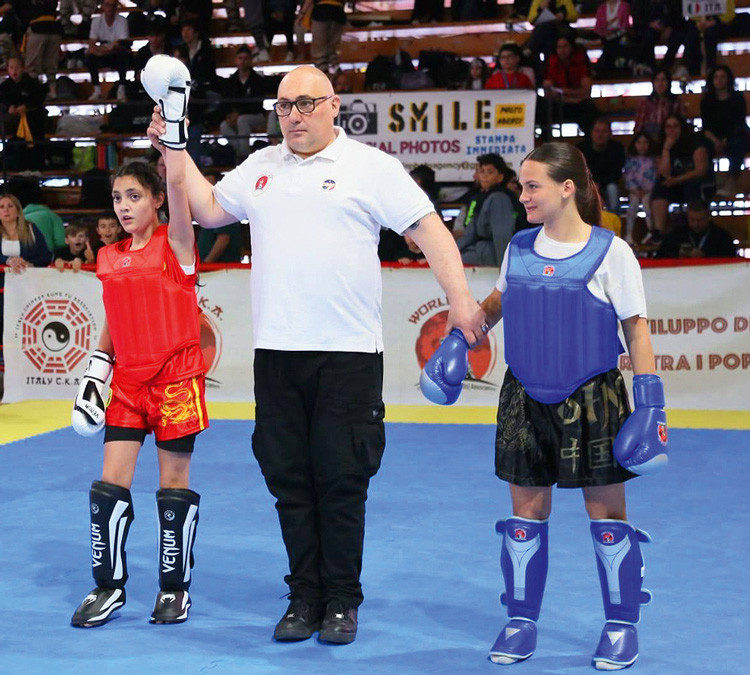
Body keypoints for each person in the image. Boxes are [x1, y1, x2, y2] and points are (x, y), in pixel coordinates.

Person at [147, 62, 486, 644]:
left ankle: (342, 601)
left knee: (342, 479)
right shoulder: (262, 166)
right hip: (277, 354)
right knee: (288, 480)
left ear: (334, 106)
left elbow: (428, 228)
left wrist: (459, 301)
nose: (294, 116)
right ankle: (304, 597)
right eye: (284, 107)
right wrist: (173, 143)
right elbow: (206, 208)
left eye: (306, 104)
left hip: (347, 356)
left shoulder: (370, 167)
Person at [471, 142, 667, 670]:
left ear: (567, 188)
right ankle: (520, 620)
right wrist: (459, 338)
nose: (522, 194)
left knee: (607, 517)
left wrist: (651, 405)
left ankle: (622, 624)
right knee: (525, 518)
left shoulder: (612, 252)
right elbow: (496, 304)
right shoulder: (519, 246)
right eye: (521, 184)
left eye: (532, 185)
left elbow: (636, 330)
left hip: (593, 397)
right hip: (524, 395)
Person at [69, 156, 207, 628]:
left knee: (173, 488)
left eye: (134, 196)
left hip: (176, 380)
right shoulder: (108, 257)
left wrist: (172, 146)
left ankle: (174, 589)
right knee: (109, 487)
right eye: (117, 198)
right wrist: (97, 370)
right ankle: (108, 587)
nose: (124, 207)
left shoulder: (176, 244)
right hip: (128, 382)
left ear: (157, 200)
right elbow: (115, 314)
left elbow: (182, 192)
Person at [649, 115, 712, 242]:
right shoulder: (661, 147)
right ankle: (658, 231)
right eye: (668, 127)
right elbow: (663, 173)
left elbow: (701, 170)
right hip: (675, 185)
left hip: (698, 183)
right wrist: (666, 149)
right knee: (660, 187)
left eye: (675, 126)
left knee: (691, 185)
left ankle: (694, 227)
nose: (672, 130)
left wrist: (677, 180)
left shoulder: (695, 144)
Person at [455, 153, 523, 268]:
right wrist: (451, 252)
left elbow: (502, 236)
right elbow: (470, 234)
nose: (485, 176)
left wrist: (504, 268)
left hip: (493, 253)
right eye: (482, 171)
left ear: (500, 177)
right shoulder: (481, 197)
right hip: (481, 249)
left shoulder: (499, 198)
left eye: (490, 172)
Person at [700, 65, 749, 199]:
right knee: (703, 147)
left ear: (728, 79)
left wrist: (725, 140)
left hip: (735, 133)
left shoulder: (737, 97)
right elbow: (706, 127)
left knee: (738, 143)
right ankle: (708, 183)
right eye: (716, 77)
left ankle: (731, 180)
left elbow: (739, 122)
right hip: (713, 136)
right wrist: (715, 141)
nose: (719, 80)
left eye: (723, 77)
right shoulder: (707, 100)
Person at [219, 45, 270, 163]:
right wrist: (229, 115)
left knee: (242, 120)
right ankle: (241, 153)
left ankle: (243, 157)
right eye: (240, 58)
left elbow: (257, 104)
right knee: (224, 125)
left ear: (250, 60)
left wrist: (239, 114)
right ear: (236, 60)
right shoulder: (231, 81)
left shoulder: (257, 80)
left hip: (257, 115)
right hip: (236, 116)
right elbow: (225, 101)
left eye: (245, 58)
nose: (242, 61)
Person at [656, 199, 737, 258]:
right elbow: (661, 255)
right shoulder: (677, 235)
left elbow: (730, 257)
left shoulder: (721, 236)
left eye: (700, 220)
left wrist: (705, 256)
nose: (696, 224)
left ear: (708, 217)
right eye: (692, 220)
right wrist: (678, 255)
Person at [577, 118, 626, 214]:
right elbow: (580, 171)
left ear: (609, 133)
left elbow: (616, 173)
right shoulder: (582, 148)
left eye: (604, 131)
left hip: (609, 183)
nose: (600, 135)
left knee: (612, 189)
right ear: (591, 133)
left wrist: (599, 184)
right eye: (597, 131)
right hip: (587, 183)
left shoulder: (617, 148)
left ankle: (613, 219)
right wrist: (592, 184)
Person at [86, 0, 131, 101]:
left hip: (115, 55)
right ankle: (97, 90)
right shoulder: (96, 21)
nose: (110, 8)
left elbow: (121, 45)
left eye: (113, 5)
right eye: (108, 5)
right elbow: (92, 44)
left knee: (123, 55)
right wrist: (109, 48)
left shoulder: (122, 21)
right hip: (104, 54)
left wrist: (101, 50)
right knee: (89, 57)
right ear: (103, 6)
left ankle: (121, 88)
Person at [633, 68, 686, 143]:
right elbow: (638, 127)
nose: (660, 84)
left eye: (663, 80)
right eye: (657, 80)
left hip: (671, 140)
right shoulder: (645, 102)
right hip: (649, 142)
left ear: (668, 83)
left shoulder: (677, 101)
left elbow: (682, 126)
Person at [622, 132, 656, 244]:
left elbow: (653, 176)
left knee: (647, 204)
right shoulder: (631, 160)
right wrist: (634, 189)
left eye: (645, 143)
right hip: (634, 191)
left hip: (648, 191)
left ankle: (651, 231)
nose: (642, 146)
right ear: (635, 144)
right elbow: (628, 176)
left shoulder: (652, 160)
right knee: (633, 206)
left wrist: (646, 189)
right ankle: (629, 233)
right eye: (639, 143)